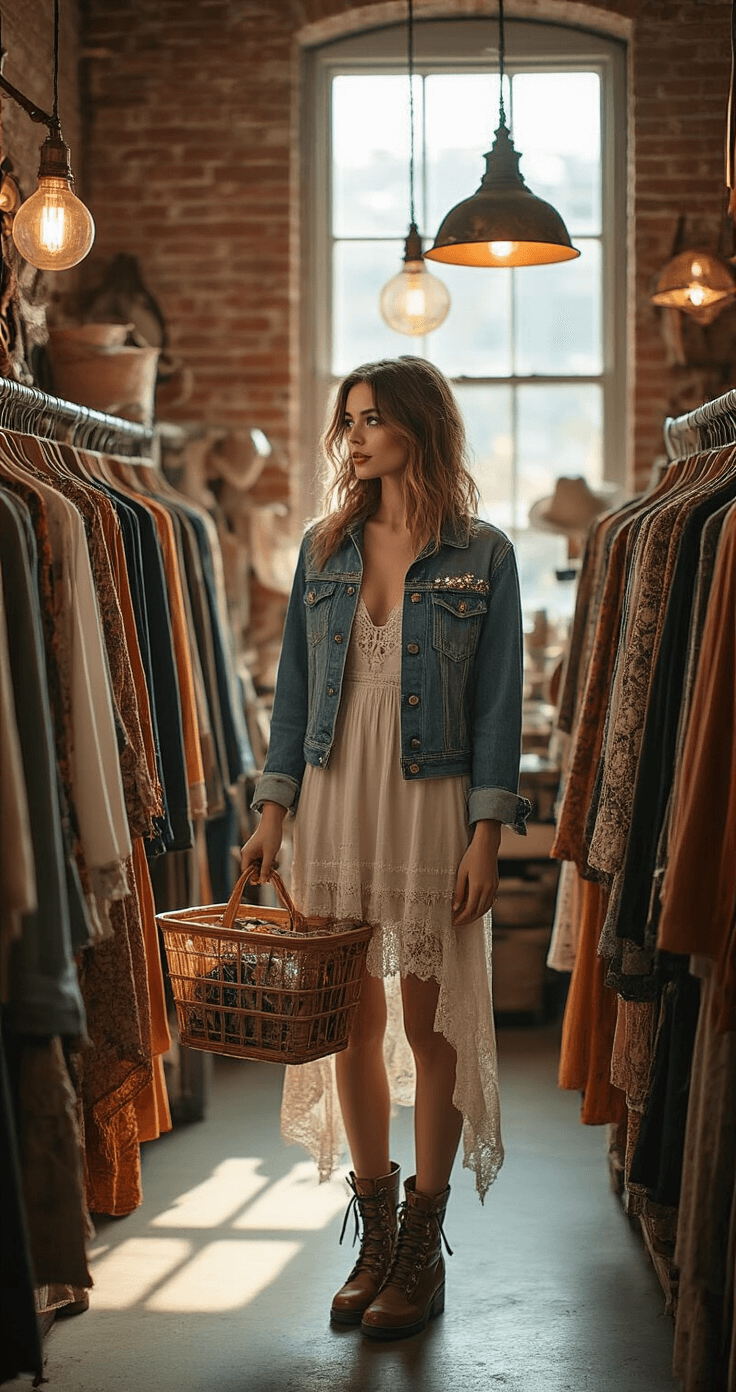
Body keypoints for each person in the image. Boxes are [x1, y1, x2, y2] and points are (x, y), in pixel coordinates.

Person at [241, 356, 529, 1340]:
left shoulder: (482, 554)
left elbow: (498, 711)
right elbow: (288, 702)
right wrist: (271, 811)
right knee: (349, 1023)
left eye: (371, 419)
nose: (354, 437)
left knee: (430, 1019)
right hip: (332, 803)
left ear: (417, 424)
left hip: (429, 806)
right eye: (348, 421)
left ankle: (422, 1244)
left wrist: (486, 835)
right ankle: (374, 1230)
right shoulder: (324, 549)